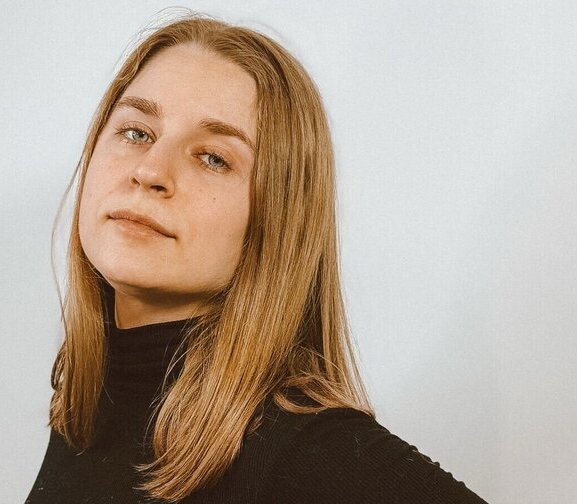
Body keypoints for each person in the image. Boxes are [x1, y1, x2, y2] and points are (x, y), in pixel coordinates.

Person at [26, 13, 488, 504]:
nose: (150, 170)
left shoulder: (303, 450)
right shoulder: (87, 406)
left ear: (276, 220)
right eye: (137, 132)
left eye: (213, 158)